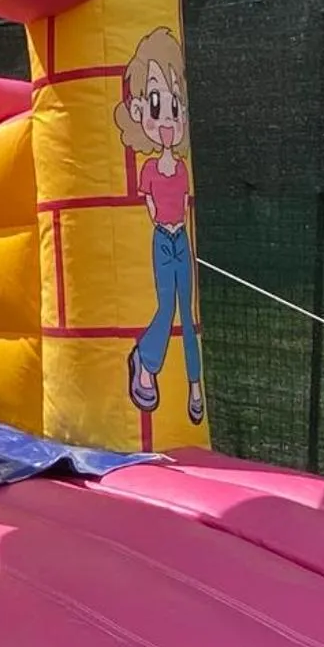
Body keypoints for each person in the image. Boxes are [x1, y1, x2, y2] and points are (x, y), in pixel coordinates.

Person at [115, 26, 203, 425]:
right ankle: (145, 361)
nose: (168, 119)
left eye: (175, 106)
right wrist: (161, 221)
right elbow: (151, 203)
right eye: (156, 104)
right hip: (162, 240)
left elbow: (181, 204)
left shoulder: (181, 170)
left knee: (188, 310)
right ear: (138, 112)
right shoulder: (149, 169)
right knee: (167, 305)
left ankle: (195, 386)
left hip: (180, 238)